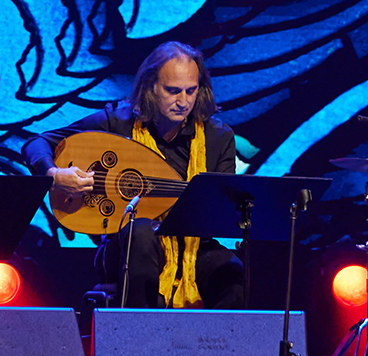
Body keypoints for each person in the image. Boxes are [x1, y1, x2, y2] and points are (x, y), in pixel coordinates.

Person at [23, 41, 242, 308]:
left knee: (232, 273)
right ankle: (138, 332)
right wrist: (55, 174)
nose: (183, 101)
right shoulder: (117, 122)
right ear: (150, 86)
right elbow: (37, 143)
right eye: (173, 91)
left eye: (191, 90)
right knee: (141, 232)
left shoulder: (218, 137)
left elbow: (222, 209)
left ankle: (222, 337)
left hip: (193, 248)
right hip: (127, 244)